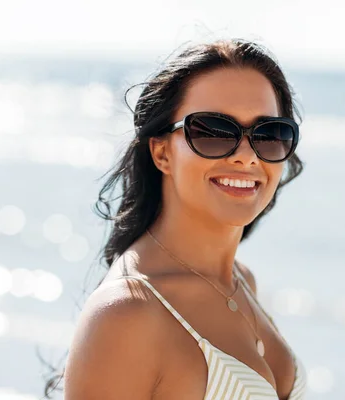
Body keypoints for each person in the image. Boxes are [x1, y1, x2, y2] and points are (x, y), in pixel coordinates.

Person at [57, 39, 307, 399]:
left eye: (269, 135)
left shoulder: (240, 281)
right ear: (162, 152)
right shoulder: (127, 313)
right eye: (213, 132)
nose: (247, 157)